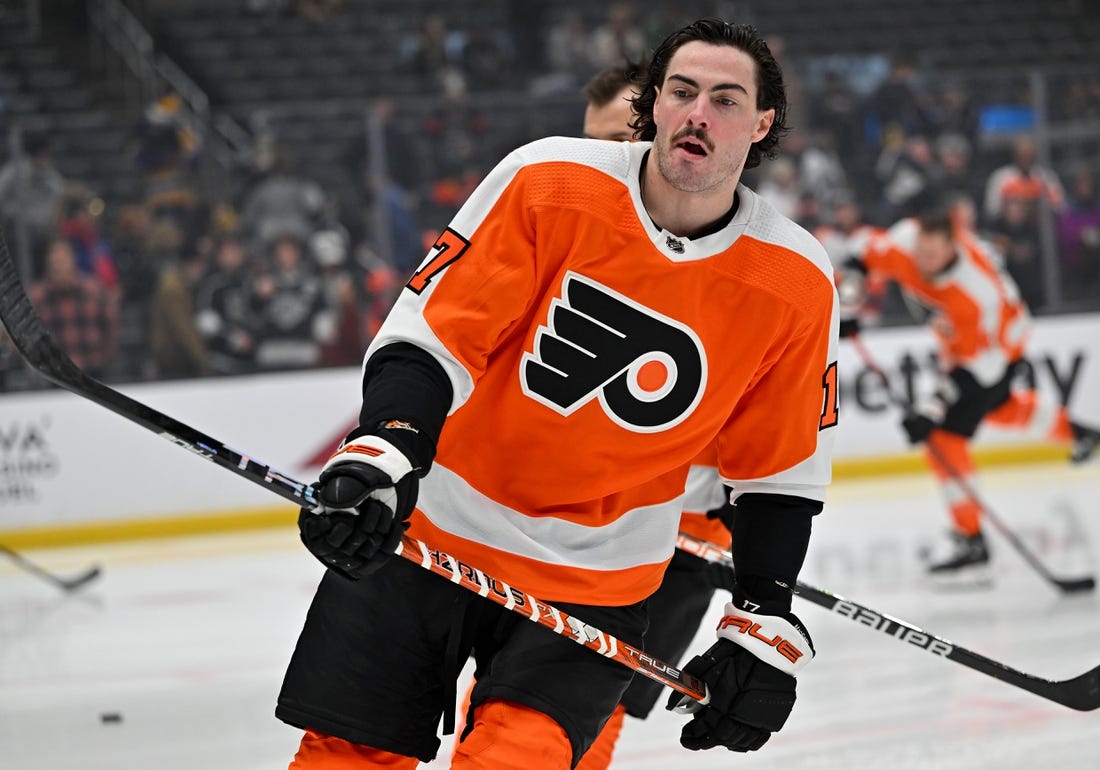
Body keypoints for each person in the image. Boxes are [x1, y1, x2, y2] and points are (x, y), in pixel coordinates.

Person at [278, 19, 839, 768]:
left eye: (726, 99)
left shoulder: (795, 279)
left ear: (762, 123)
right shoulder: (546, 180)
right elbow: (435, 333)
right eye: (682, 91)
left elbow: (777, 474)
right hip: (433, 527)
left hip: (596, 574)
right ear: (656, 104)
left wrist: (763, 614)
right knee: (343, 759)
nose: (698, 113)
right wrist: (388, 445)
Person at [842, 210, 1100, 584]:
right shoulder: (906, 243)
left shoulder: (978, 295)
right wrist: (850, 301)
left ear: (952, 247)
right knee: (1001, 409)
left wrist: (932, 409)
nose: (925, 263)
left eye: (934, 256)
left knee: (944, 439)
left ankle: (970, 540)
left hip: (999, 349)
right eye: (922, 254)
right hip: (967, 348)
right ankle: (1078, 432)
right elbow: (860, 251)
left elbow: (978, 370)